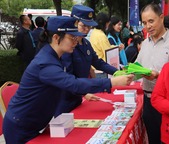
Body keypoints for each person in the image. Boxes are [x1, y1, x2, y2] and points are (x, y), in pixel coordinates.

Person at [3, 16, 134, 144]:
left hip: (36, 122)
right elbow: (73, 83)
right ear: (55, 38)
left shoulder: (55, 57)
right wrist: (112, 82)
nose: (76, 42)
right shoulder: (45, 63)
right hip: (21, 127)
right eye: (72, 38)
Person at [55, 5, 118, 116]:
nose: (87, 30)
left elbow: (98, 62)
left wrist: (116, 72)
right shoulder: (67, 46)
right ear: (74, 23)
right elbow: (68, 76)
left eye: (89, 27)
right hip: (66, 99)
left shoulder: (86, 43)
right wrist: (84, 92)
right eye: (83, 26)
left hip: (79, 97)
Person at [136, 3, 169, 144]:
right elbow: (138, 66)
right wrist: (130, 71)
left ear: (161, 18)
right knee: (153, 139)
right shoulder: (145, 43)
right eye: (144, 23)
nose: (148, 26)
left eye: (151, 21)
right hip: (148, 101)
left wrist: (158, 74)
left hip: (167, 102)